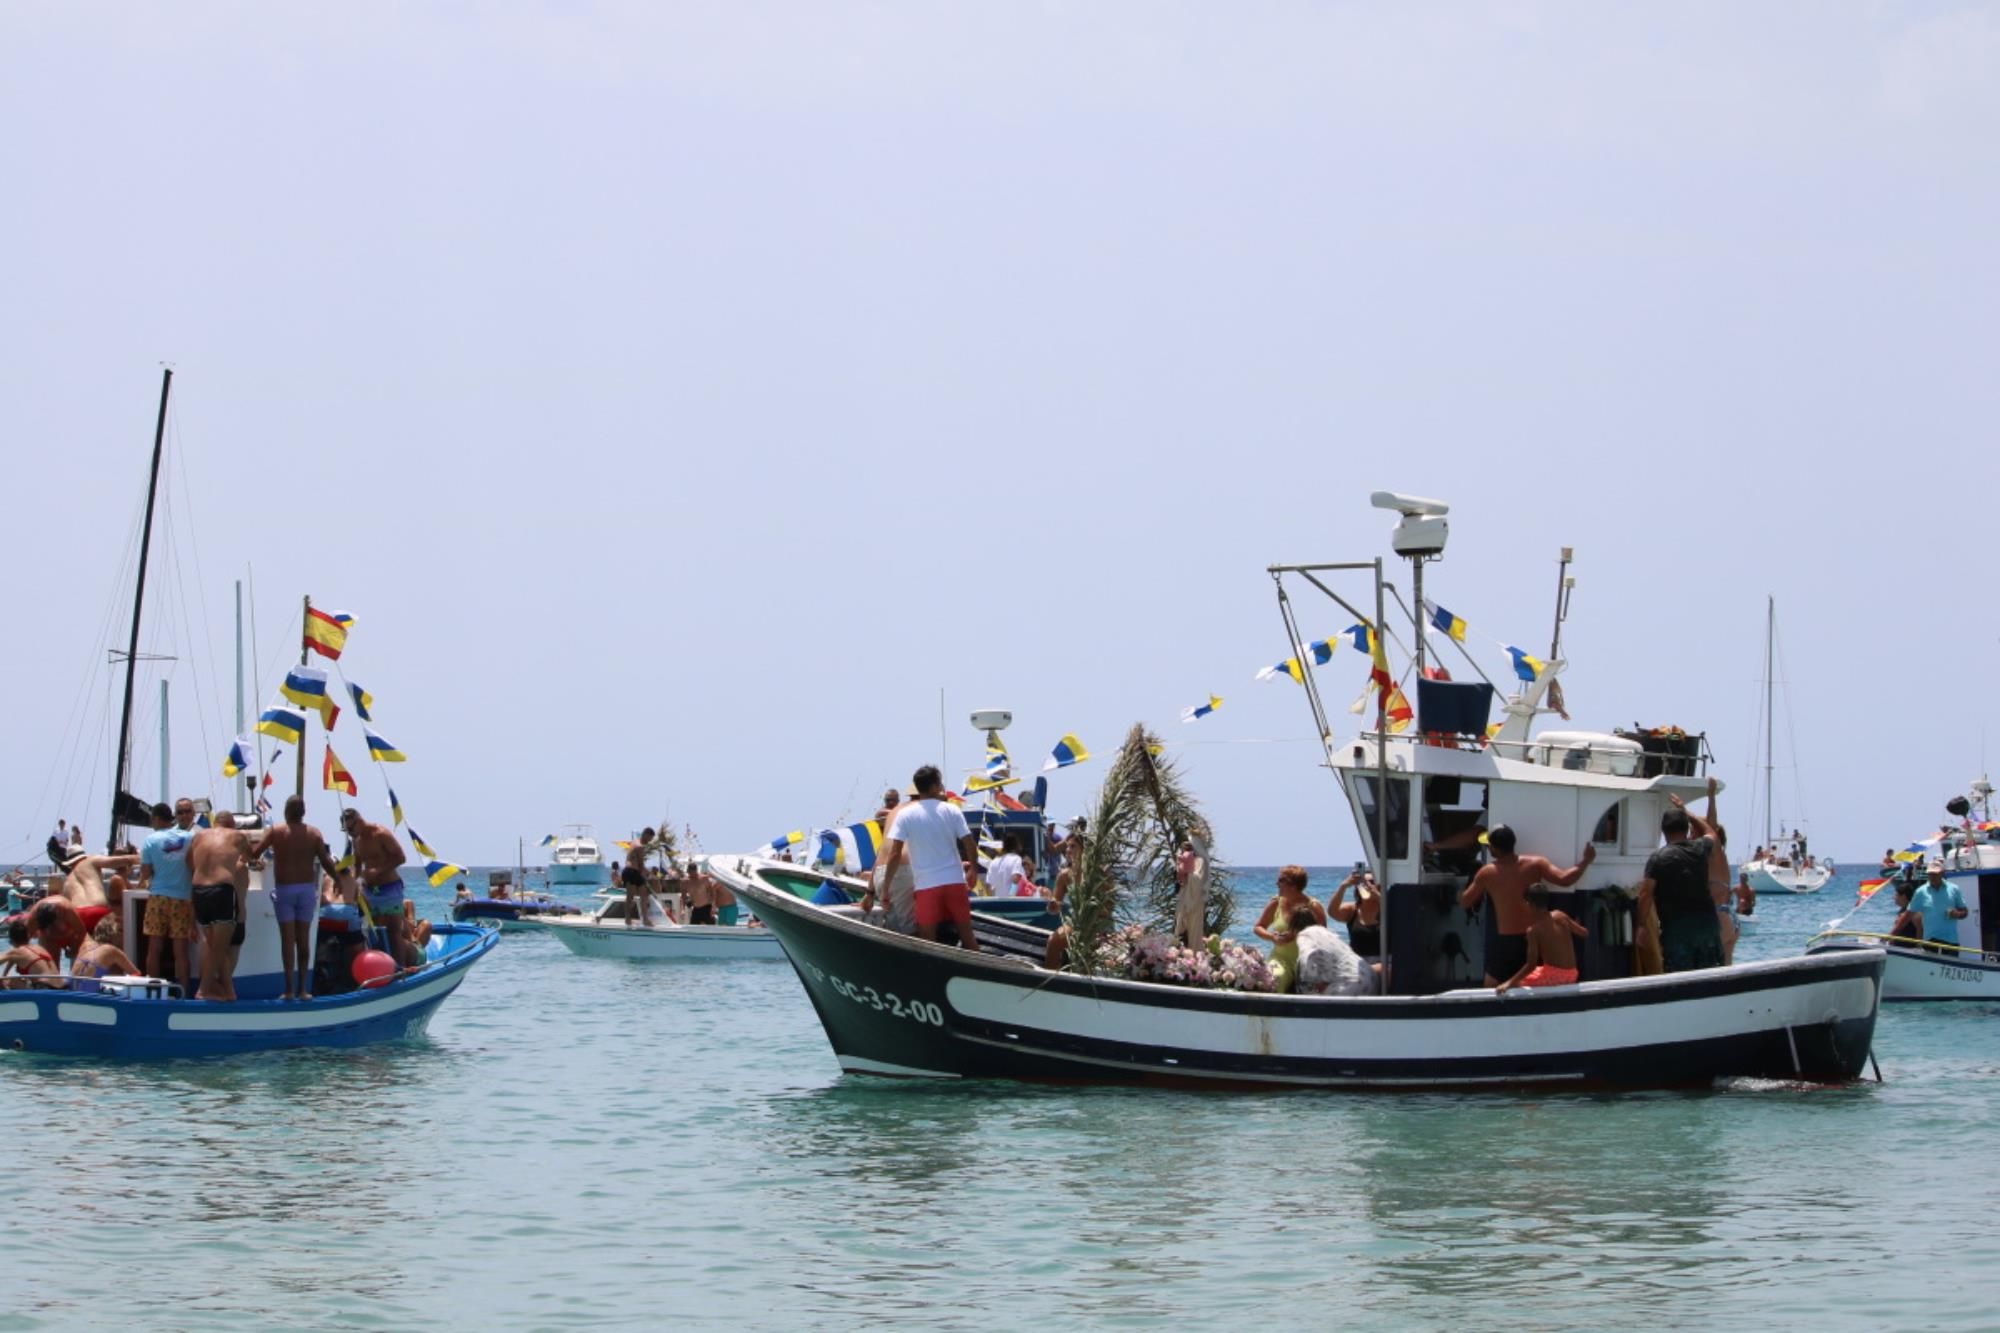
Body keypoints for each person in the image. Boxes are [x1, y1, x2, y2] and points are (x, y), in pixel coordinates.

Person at [1458, 825, 1596, 986]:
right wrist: (1586, 861)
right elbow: (1565, 879)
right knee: (1533, 986)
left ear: (1493, 849)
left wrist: (1467, 882)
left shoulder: (1486, 873)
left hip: (1507, 942)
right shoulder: (1536, 863)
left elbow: (1465, 902)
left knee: (1491, 986)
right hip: (1535, 938)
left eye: (1489, 846)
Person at [872, 765, 979, 950]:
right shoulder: (951, 810)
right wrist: (974, 871)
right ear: (934, 786)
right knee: (968, 939)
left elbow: (895, 854)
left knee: (927, 942)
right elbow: (969, 843)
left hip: (927, 887)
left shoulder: (905, 814)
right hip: (955, 882)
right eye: (939, 782)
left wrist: (885, 889)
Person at [265, 795, 343, 1000]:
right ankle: (303, 989)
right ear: (304, 812)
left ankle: (289, 989)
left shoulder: (276, 831)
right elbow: (326, 861)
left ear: (285, 811)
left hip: (284, 890)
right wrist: (337, 879)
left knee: (287, 942)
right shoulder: (314, 833)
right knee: (304, 941)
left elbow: (255, 852)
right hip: (307, 891)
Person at [1635, 797, 1725, 973]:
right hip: (1707, 928)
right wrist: (1688, 813)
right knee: (1712, 978)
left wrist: (1641, 926)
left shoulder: (1657, 859)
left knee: (1681, 981)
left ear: (1663, 831)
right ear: (1686, 828)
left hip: (1677, 933)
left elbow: (1645, 895)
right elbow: (1712, 834)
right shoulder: (1699, 848)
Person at [188, 811, 260, 1002]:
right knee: (219, 948)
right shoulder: (237, 836)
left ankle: (228, 992)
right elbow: (251, 857)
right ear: (232, 824)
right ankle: (203, 991)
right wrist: (254, 860)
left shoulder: (198, 836)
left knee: (213, 945)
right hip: (220, 890)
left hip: (198, 890)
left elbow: (189, 862)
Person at [138, 799, 198, 992]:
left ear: (156, 819)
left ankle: (153, 991)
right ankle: (184, 991)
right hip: (182, 898)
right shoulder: (189, 838)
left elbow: (145, 874)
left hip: (158, 898)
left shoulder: (150, 840)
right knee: (180, 951)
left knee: (154, 948)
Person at [343, 808, 413, 963]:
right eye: (346, 831)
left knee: (394, 933)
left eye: (350, 829)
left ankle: (400, 970)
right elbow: (358, 865)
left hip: (389, 888)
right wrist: (354, 884)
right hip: (370, 892)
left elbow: (401, 857)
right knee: (373, 933)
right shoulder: (356, 840)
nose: (349, 834)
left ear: (359, 821)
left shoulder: (381, 834)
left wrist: (378, 871)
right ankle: (382, 966)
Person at [1496, 885, 1589, 991]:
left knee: (1517, 983)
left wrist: (1509, 983)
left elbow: (1531, 964)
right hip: (1573, 973)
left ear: (1530, 904)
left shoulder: (1533, 931)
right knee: (1538, 970)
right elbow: (1584, 933)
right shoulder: (1561, 915)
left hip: (1556, 978)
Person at [1254, 865, 1326, 993]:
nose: (1277, 883)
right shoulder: (1275, 903)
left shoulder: (1313, 906)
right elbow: (1258, 927)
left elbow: (1324, 939)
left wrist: (1296, 936)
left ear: (1293, 885)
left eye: (1281, 880)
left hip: (1307, 960)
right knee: (1274, 979)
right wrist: (1272, 937)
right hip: (1280, 958)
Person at [1293, 903, 1376, 996]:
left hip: (1352, 984)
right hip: (1370, 978)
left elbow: (1306, 958)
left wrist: (1311, 982)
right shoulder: (1327, 933)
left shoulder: (1304, 935)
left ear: (1293, 927)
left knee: (1315, 998)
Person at [1909, 861, 1969, 954]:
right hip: (1930, 942)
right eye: (1930, 874)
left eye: (1935, 874)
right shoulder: (1920, 892)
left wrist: (1957, 914)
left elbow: (1965, 912)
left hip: (1951, 942)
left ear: (1942, 873)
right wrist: (1892, 934)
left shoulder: (1954, 889)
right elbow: (1909, 913)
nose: (1932, 877)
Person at [1328, 866, 1382, 959]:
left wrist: (1378, 896)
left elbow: (1400, 918)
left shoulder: (1386, 909)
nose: (1367, 886)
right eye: (1363, 883)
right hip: (1358, 964)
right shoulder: (1352, 910)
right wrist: (1343, 886)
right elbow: (1332, 912)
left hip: (1384, 965)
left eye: (1372, 882)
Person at [619, 829, 658, 928]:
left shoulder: (634, 841)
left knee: (630, 897)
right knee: (643, 896)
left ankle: (628, 919)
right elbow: (641, 865)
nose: (649, 841)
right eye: (650, 838)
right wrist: (650, 875)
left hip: (627, 871)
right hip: (633, 871)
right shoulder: (640, 847)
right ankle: (645, 920)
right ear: (645, 834)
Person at [984, 835, 1029, 900]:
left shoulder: (994, 861)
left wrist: (991, 902)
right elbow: (1015, 878)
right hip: (1015, 903)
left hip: (998, 903)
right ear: (1016, 846)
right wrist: (1011, 896)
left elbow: (988, 886)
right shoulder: (1016, 859)